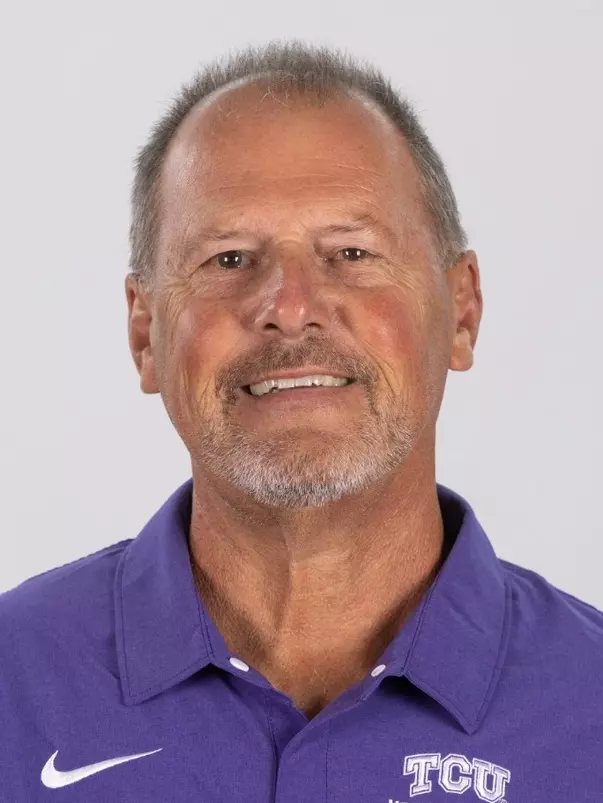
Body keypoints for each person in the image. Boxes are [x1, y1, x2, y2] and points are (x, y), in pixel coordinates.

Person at [1, 40, 601, 802]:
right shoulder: (14, 685)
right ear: (144, 332)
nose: (289, 308)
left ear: (462, 310)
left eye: (350, 252)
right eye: (228, 259)